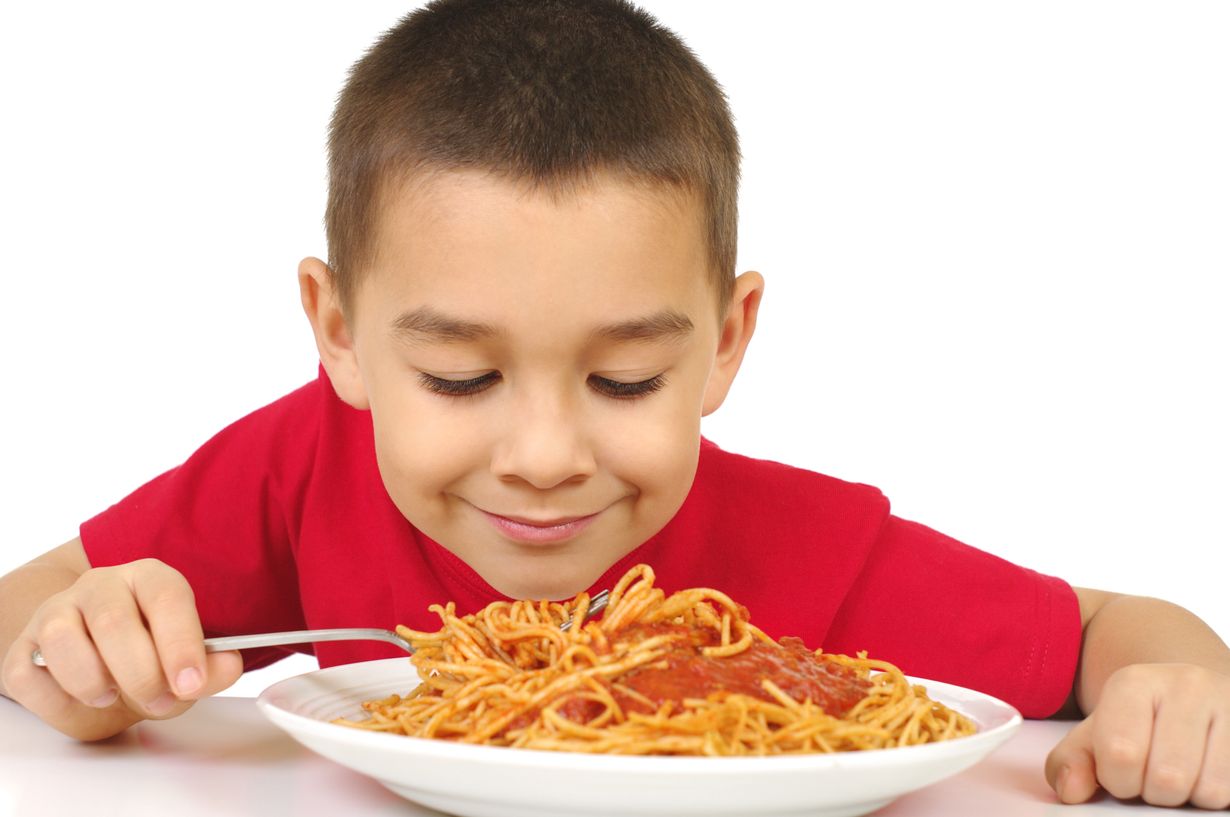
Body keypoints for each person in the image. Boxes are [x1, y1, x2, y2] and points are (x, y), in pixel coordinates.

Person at [1, 0, 1227, 808]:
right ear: (339, 336)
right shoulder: (299, 468)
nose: (544, 456)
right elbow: (24, 608)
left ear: (726, 341)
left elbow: (1109, 628)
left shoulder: (806, 553)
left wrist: (1180, 688)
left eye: (626, 380)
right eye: (461, 377)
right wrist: (76, 650)